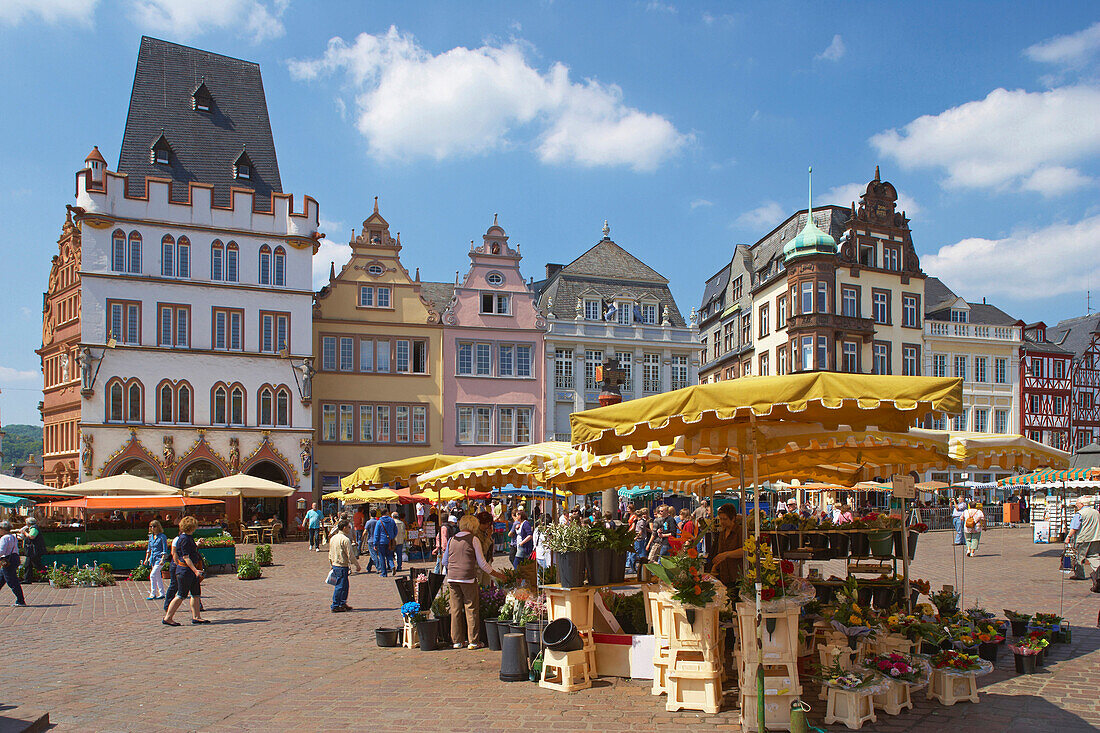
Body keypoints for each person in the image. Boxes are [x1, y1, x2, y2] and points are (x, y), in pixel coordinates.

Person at [446, 515, 505, 649]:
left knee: (455, 609)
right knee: (471, 608)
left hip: (452, 578)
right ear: (473, 526)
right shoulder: (474, 539)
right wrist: (498, 575)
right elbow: (482, 563)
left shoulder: (451, 539)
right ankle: (473, 640)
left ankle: (457, 641)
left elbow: (445, 561)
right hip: (467, 577)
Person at [163, 516, 208, 625]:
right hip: (185, 571)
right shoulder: (184, 539)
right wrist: (195, 570)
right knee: (181, 595)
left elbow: (189, 549)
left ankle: (196, 616)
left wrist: (197, 544)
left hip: (188, 571)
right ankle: (168, 617)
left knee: (196, 594)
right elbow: (186, 557)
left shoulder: (187, 537)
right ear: (191, 527)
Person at [328, 518, 361, 612]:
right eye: (349, 527)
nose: (350, 529)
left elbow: (330, 553)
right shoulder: (345, 539)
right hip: (341, 565)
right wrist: (357, 565)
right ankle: (335, 605)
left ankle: (342, 603)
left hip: (335, 564)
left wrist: (331, 562)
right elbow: (350, 555)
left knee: (345, 585)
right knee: (340, 585)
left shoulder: (333, 538)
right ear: (344, 528)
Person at [710, 504, 745, 587]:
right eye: (720, 519)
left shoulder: (741, 531)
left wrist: (727, 554)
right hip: (724, 577)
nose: (722, 522)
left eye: (725, 519)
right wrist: (714, 567)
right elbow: (720, 553)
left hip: (737, 577)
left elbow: (745, 551)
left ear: (733, 518)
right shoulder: (722, 533)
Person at [1067, 496, 1100, 580]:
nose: (1076, 505)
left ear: (1081, 504)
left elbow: (1074, 527)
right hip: (1096, 537)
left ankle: (1080, 575)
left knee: (1079, 557)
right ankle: (1098, 573)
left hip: (1083, 538)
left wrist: (1068, 536)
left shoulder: (1080, 513)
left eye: (1077, 503)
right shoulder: (1096, 512)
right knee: (1094, 556)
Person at [0, 522, 26, 607]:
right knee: (1, 578)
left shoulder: (4, 538)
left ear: (3, 529)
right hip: (14, 558)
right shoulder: (13, 536)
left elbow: (2, 551)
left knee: (12, 581)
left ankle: (20, 600)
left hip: (8, 560)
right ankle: (20, 599)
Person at [16, 518, 46, 584]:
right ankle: (27, 579)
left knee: (36, 564)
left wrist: (25, 533)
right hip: (32, 550)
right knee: (28, 564)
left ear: (28, 523)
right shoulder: (32, 528)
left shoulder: (34, 528)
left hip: (34, 550)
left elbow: (31, 536)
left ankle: (46, 576)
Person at [144, 520, 168, 600]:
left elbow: (165, 548)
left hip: (159, 558)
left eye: (154, 526)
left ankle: (152, 593)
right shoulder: (150, 537)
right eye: (151, 526)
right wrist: (146, 559)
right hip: (153, 559)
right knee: (158, 576)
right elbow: (149, 549)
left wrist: (162, 559)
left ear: (158, 527)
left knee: (152, 575)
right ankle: (162, 593)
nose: (152, 528)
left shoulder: (162, 537)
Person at [373, 511, 397, 577]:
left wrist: (375, 543)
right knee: (389, 555)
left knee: (382, 557)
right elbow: (396, 530)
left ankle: (384, 573)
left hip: (381, 542)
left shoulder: (379, 522)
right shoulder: (392, 521)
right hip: (389, 541)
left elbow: (376, 534)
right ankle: (392, 565)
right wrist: (392, 537)